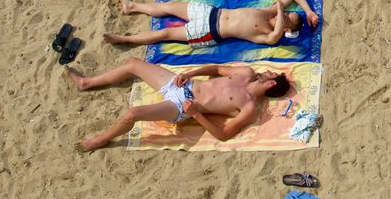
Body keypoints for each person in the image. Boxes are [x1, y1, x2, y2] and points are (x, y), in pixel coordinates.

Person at [67, 58, 291, 152]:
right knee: (134, 63)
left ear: (271, 83)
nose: (265, 70)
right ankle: (86, 83)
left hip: (181, 104)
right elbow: (215, 70)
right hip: (182, 83)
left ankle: (99, 140)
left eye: (269, 73)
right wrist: (190, 73)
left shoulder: (249, 107)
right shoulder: (246, 73)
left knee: (133, 114)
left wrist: (195, 114)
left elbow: (223, 135)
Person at [104, 0, 320, 47]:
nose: (284, 10)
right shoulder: (271, 12)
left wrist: (282, 12)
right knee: (169, 6)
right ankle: (132, 7)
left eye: (291, 16)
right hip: (211, 13)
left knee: (165, 33)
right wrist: (308, 11)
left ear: (288, 28)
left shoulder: (270, 34)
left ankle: (124, 39)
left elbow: (274, 36)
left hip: (210, 32)